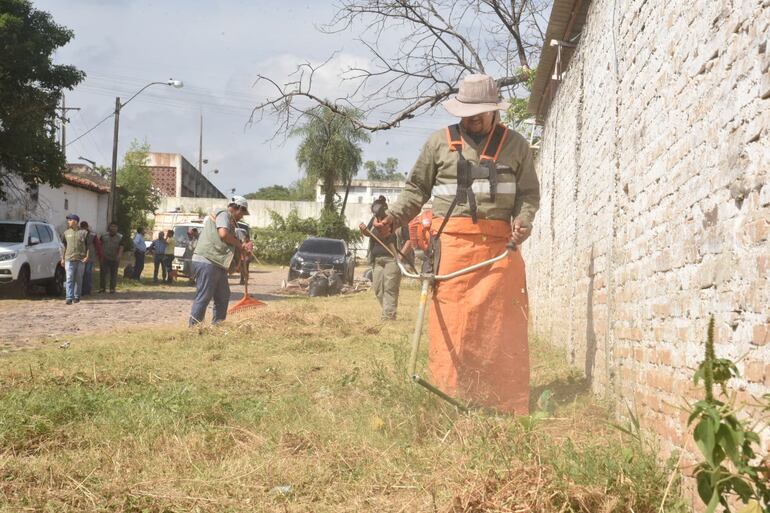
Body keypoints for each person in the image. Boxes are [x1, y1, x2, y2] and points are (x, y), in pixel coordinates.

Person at [374, 74, 540, 414]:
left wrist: (524, 221)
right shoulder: (439, 143)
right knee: (451, 325)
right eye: (467, 112)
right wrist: (393, 217)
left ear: (495, 111)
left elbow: (528, 195)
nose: (472, 119)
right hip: (450, 251)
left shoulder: (518, 145)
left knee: (501, 326)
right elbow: (415, 190)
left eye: (479, 113)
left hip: (498, 252)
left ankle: (503, 403)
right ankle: (448, 399)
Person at [189, 196, 253, 326]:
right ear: (237, 208)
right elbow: (223, 234)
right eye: (242, 213)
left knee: (223, 295)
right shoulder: (224, 214)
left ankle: (218, 326)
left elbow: (228, 240)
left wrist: (240, 252)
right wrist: (240, 246)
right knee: (204, 296)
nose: (242, 216)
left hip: (217, 262)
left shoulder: (230, 220)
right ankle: (194, 328)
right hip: (207, 260)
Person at [365, 196, 408, 320]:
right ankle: (387, 311)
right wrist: (363, 230)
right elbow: (368, 233)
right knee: (378, 289)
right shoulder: (374, 220)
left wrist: (400, 256)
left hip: (392, 260)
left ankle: (388, 317)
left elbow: (409, 241)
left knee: (390, 288)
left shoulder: (396, 220)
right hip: (377, 260)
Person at [60, 214, 90, 305]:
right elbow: (64, 246)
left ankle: (77, 296)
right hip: (69, 258)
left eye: (70, 220)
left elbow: (88, 246)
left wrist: (87, 256)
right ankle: (69, 297)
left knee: (78, 278)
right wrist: (62, 258)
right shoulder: (66, 233)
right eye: (68, 220)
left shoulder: (84, 232)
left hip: (81, 259)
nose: (68, 221)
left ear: (75, 221)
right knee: (69, 278)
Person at [99, 222, 123, 293]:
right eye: (112, 226)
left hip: (114, 257)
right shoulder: (103, 236)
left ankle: (112, 288)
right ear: (109, 227)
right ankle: (102, 288)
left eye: (115, 227)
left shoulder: (120, 237)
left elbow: (121, 246)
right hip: (104, 257)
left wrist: (119, 255)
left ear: (117, 228)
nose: (113, 228)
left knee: (113, 273)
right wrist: (100, 256)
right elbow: (99, 245)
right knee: (103, 273)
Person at [79, 221, 99, 295]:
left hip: (90, 256)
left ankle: (87, 290)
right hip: (80, 256)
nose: (84, 229)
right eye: (82, 227)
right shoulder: (78, 234)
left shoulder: (92, 235)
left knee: (88, 273)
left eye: (85, 227)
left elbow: (98, 245)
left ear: (87, 227)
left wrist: (99, 255)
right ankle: (81, 290)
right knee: (81, 273)